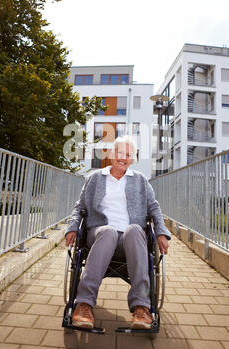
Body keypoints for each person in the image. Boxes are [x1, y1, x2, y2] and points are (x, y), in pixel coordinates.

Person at [65, 135, 171, 330]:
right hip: (100, 234)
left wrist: (162, 233)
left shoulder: (140, 180)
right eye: (120, 152)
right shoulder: (95, 178)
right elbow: (79, 207)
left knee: (134, 230)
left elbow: (154, 208)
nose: (123, 157)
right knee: (108, 232)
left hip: (129, 239)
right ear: (112, 154)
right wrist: (72, 227)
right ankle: (84, 304)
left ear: (133, 158)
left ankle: (141, 307)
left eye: (128, 154)